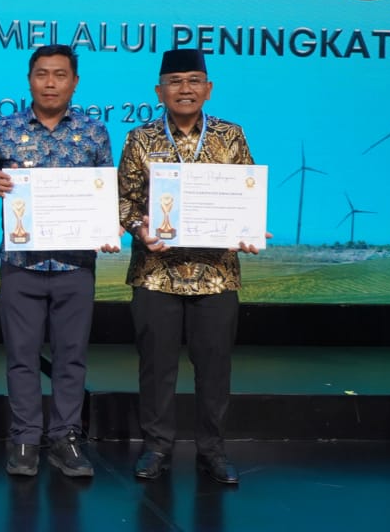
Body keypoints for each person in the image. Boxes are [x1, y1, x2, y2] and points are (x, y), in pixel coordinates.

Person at [117, 48, 261, 485]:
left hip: (216, 275)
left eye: (194, 80)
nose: (185, 89)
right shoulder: (140, 138)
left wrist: (249, 227)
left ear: (208, 89)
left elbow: (246, 192)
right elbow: (124, 201)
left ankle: (212, 450)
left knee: (215, 369)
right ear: (159, 91)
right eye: (175, 81)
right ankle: (156, 448)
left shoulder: (231, 136)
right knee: (156, 368)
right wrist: (138, 227)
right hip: (155, 274)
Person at [0, 44, 118, 478]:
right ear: (29, 80)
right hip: (21, 265)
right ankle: (24, 438)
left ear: (74, 82)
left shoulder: (94, 133)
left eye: (60, 75)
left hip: (75, 267)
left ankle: (65, 438)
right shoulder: (2, 130)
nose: (50, 83)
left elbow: (106, 194)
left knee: (71, 357)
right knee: (21, 357)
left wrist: (108, 228)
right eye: (42, 74)